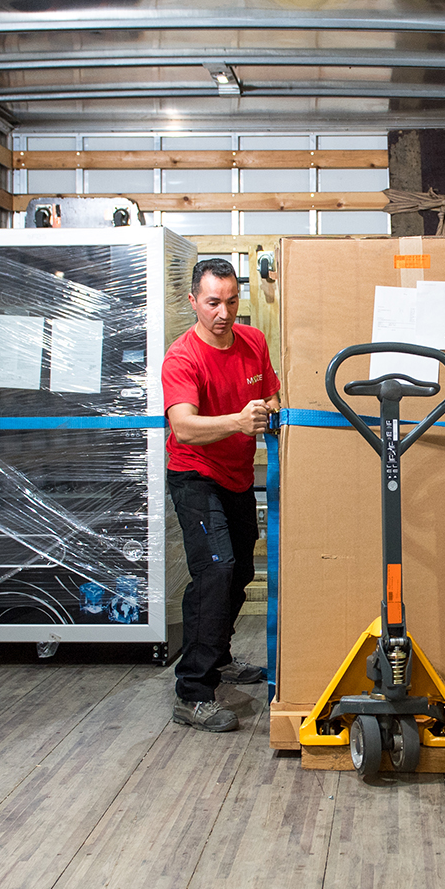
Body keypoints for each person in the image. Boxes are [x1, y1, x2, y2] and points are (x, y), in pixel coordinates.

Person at [162, 257, 279, 731]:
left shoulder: (253, 342)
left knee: (240, 570)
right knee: (216, 570)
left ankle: (219, 657)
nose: (224, 313)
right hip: (194, 474)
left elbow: (271, 394)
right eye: (213, 303)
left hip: (236, 475)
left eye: (231, 302)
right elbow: (183, 427)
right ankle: (192, 691)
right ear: (194, 301)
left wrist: (271, 407)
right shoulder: (182, 357)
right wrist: (238, 421)